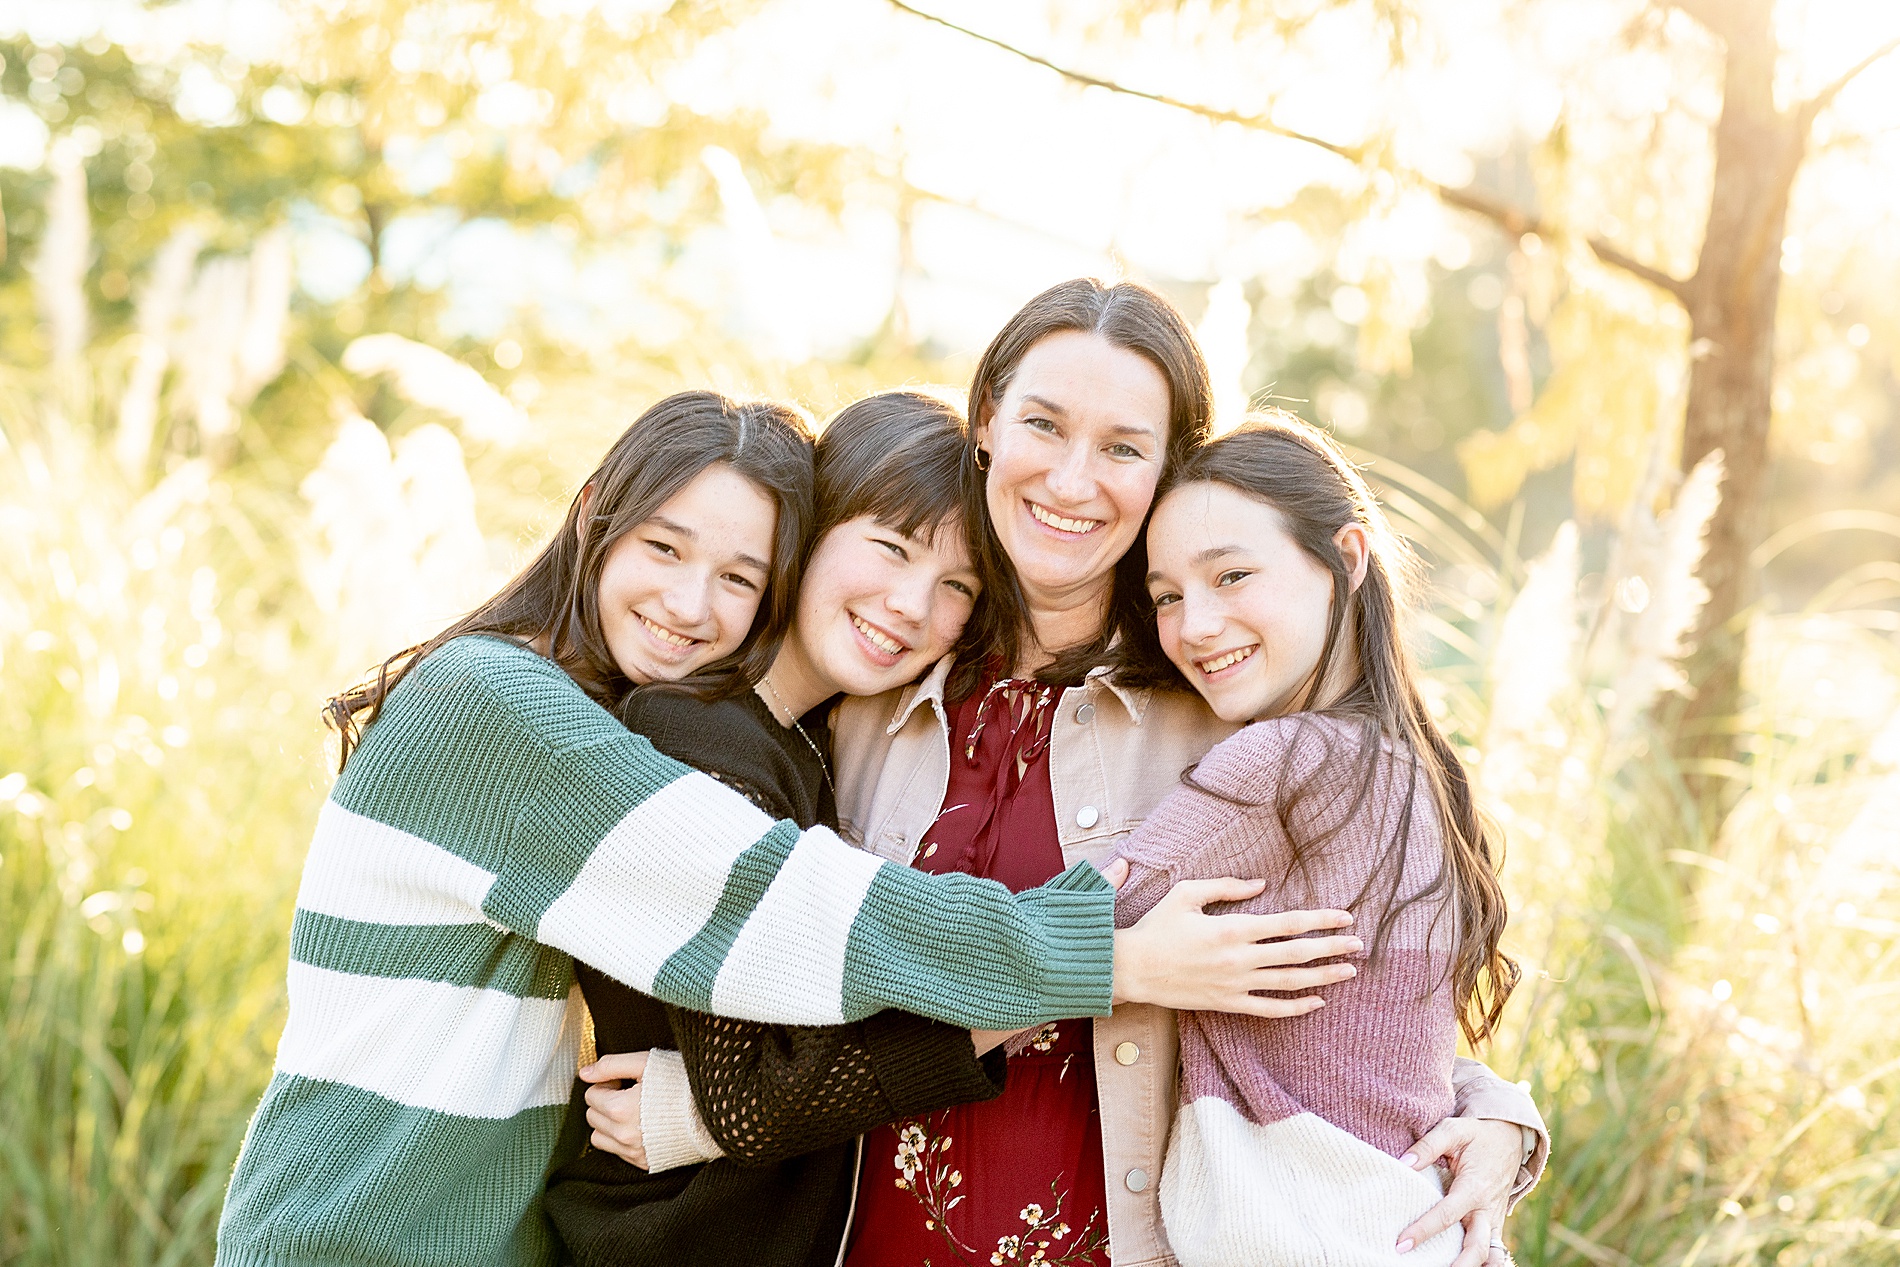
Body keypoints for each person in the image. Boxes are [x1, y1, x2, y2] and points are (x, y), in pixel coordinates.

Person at [213, 389, 1313, 1267]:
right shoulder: (504, 709)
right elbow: (799, 915)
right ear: (595, 510)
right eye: (663, 548)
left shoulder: (697, 730)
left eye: (736, 574)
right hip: (355, 1238)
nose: (692, 605)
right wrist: (1108, 953)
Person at [824, 279, 1546, 1267]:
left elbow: (1349, 1008)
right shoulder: (868, 683)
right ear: (986, 420)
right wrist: (706, 1108)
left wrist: (1496, 1115)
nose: (1073, 481)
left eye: (1122, 447)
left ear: (1167, 470)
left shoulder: (1225, 714)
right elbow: (791, 956)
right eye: (1042, 423)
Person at [1116, 412, 1521, 1265]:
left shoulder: (1287, 758)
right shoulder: (1417, 765)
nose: (1193, 625)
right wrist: (1508, 1116)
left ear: (1347, 557)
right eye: (1165, 596)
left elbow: (1073, 925)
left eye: (1231, 575)